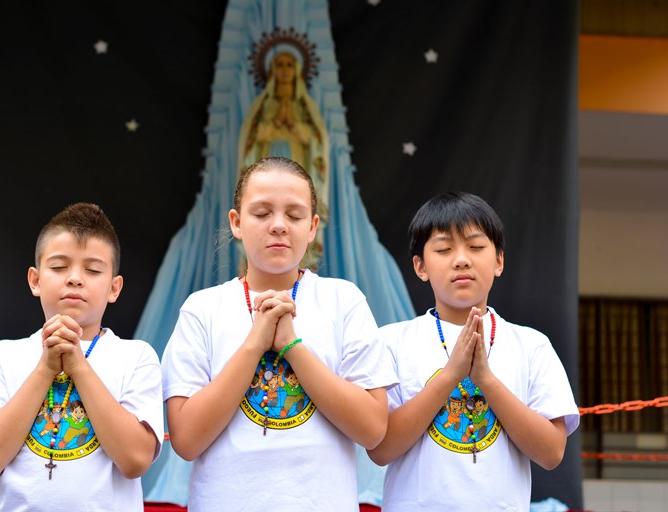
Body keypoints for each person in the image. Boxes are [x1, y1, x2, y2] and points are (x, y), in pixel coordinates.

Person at [161, 156, 395, 511]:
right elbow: (186, 440)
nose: (279, 226)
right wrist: (255, 343)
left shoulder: (343, 300)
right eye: (261, 213)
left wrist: (292, 346)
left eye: (295, 215)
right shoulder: (203, 309)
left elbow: (373, 429)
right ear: (236, 223)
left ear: (313, 227)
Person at [368, 192, 580, 511]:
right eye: (444, 249)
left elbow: (551, 453)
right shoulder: (392, 341)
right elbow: (380, 448)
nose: (462, 259)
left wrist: (486, 380)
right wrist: (450, 376)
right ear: (420, 266)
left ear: (498, 261)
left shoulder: (532, 345)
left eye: (476, 247)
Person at [0, 203, 163, 511]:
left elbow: (135, 461)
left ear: (114, 287)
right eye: (58, 267)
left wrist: (79, 366)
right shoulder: (3, 355)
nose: (75, 279)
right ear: (35, 280)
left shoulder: (136, 356)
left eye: (93, 270)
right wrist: (46, 367)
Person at [238, 49, 329, 267]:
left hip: (299, 160)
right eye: (280, 64)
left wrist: (296, 127)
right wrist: (275, 126)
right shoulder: (263, 105)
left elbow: (317, 140)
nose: (285, 70)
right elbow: (251, 138)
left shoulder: (305, 106)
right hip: (266, 156)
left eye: (290, 65)